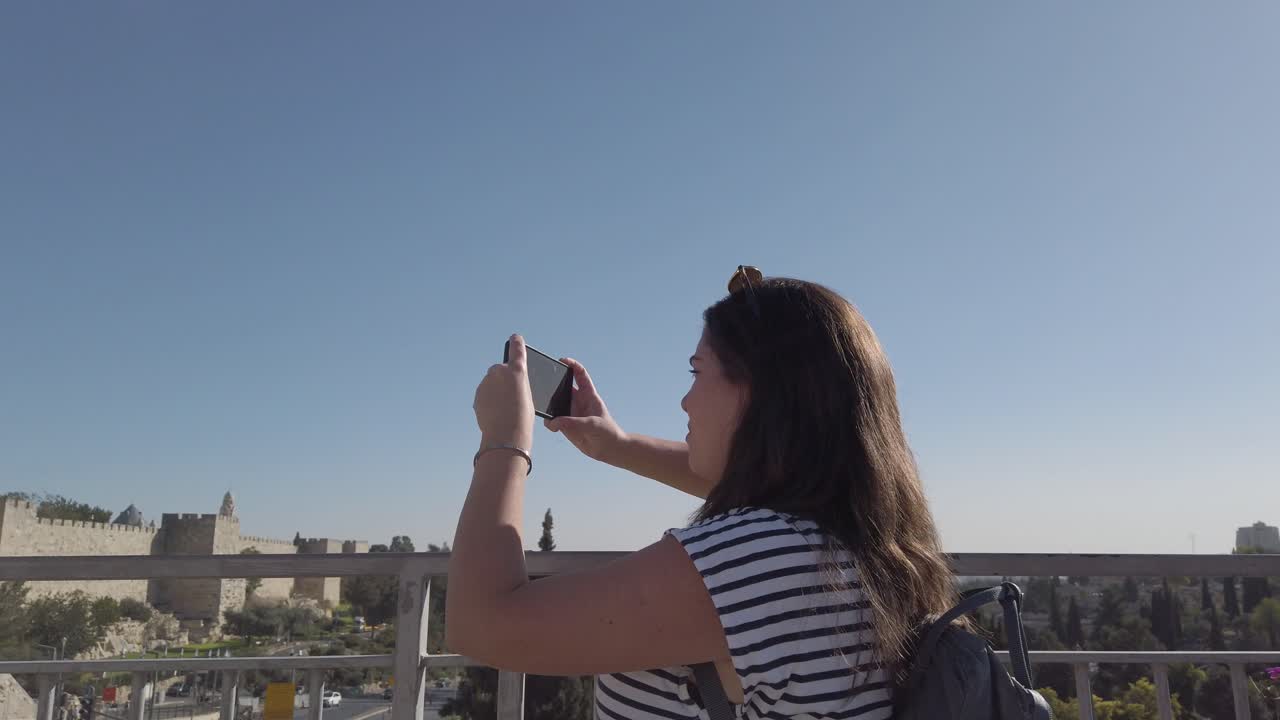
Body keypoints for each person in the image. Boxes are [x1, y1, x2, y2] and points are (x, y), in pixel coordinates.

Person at [449, 268, 958, 719]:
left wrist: (504, 443)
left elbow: (484, 624)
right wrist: (615, 445)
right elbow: (761, 484)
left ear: (763, 392)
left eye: (697, 372)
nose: (685, 399)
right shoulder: (849, 535)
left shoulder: (763, 560)